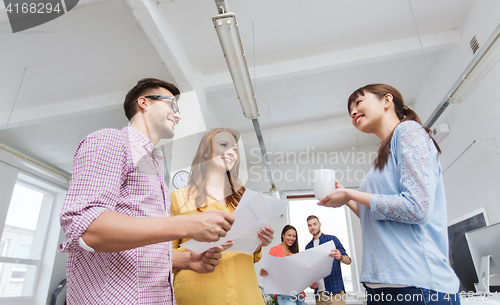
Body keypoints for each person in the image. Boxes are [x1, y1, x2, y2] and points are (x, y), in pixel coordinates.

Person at [59, 78, 236, 305]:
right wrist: (189, 224)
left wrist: (187, 260)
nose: (178, 115)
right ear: (144, 102)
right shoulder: (111, 140)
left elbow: (135, 250)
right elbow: (86, 229)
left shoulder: (154, 163)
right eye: (172, 105)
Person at [318, 83, 461, 304]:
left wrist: (352, 194)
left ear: (387, 100)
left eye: (358, 103)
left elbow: (416, 208)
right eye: (350, 112)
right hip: (382, 285)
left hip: (416, 285)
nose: (353, 112)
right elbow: (375, 217)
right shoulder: (379, 161)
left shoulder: (409, 131)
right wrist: (346, 198)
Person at [170, 128, 275, 305]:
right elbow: (165, 258)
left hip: (245, 295)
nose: (231, 153)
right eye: (224, 145)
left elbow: (253, 255)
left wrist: (259, 242)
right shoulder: (179, 198)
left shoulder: (246, 198)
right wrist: (202, 245)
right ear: (205, 152)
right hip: (200, 296)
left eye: (235, 149)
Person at [305, 215, 351, 305]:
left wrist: (340, 257)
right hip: (319, 294)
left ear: (320, 224)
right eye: (309, 225)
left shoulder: (332, 240)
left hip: (335, 292)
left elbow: (348, 260)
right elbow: (310, 270)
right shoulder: (308, 247)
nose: (312, 227)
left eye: (314, 224)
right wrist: (311, 281)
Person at [259, 224, 306, 305]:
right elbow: (269, 270)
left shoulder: (295, 252)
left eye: (294, 236)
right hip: (284, 293)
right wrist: (263, 272)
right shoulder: (274, 250)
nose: (292, 238)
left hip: (299, 293)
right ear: (283, 235)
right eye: (289, 235)